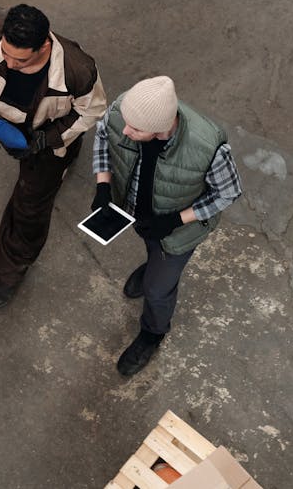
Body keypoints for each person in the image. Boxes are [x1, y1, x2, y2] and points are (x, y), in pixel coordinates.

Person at [0, 5, 107, 308]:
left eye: (20, 60)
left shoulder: (78, 71)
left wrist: (45, 140)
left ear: (45, 47)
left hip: (45, 140)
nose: (8, 64)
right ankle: (67, 153)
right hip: (2, 121)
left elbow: (91, 111)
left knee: (29, 208)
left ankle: (9, 272)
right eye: (5, 54)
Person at [91, 75, 242, 376]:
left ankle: (152, 334)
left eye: (135, 129)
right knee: (151, 249)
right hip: (143, 217)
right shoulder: (125, 110)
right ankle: (151, 266)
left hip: (177, 233)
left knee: (158, 291)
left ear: (161, 128)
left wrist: (175, 220)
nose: (126, 131)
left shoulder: (207, 147)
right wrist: (103, 185)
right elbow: (103, 136)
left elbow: (229, 192)